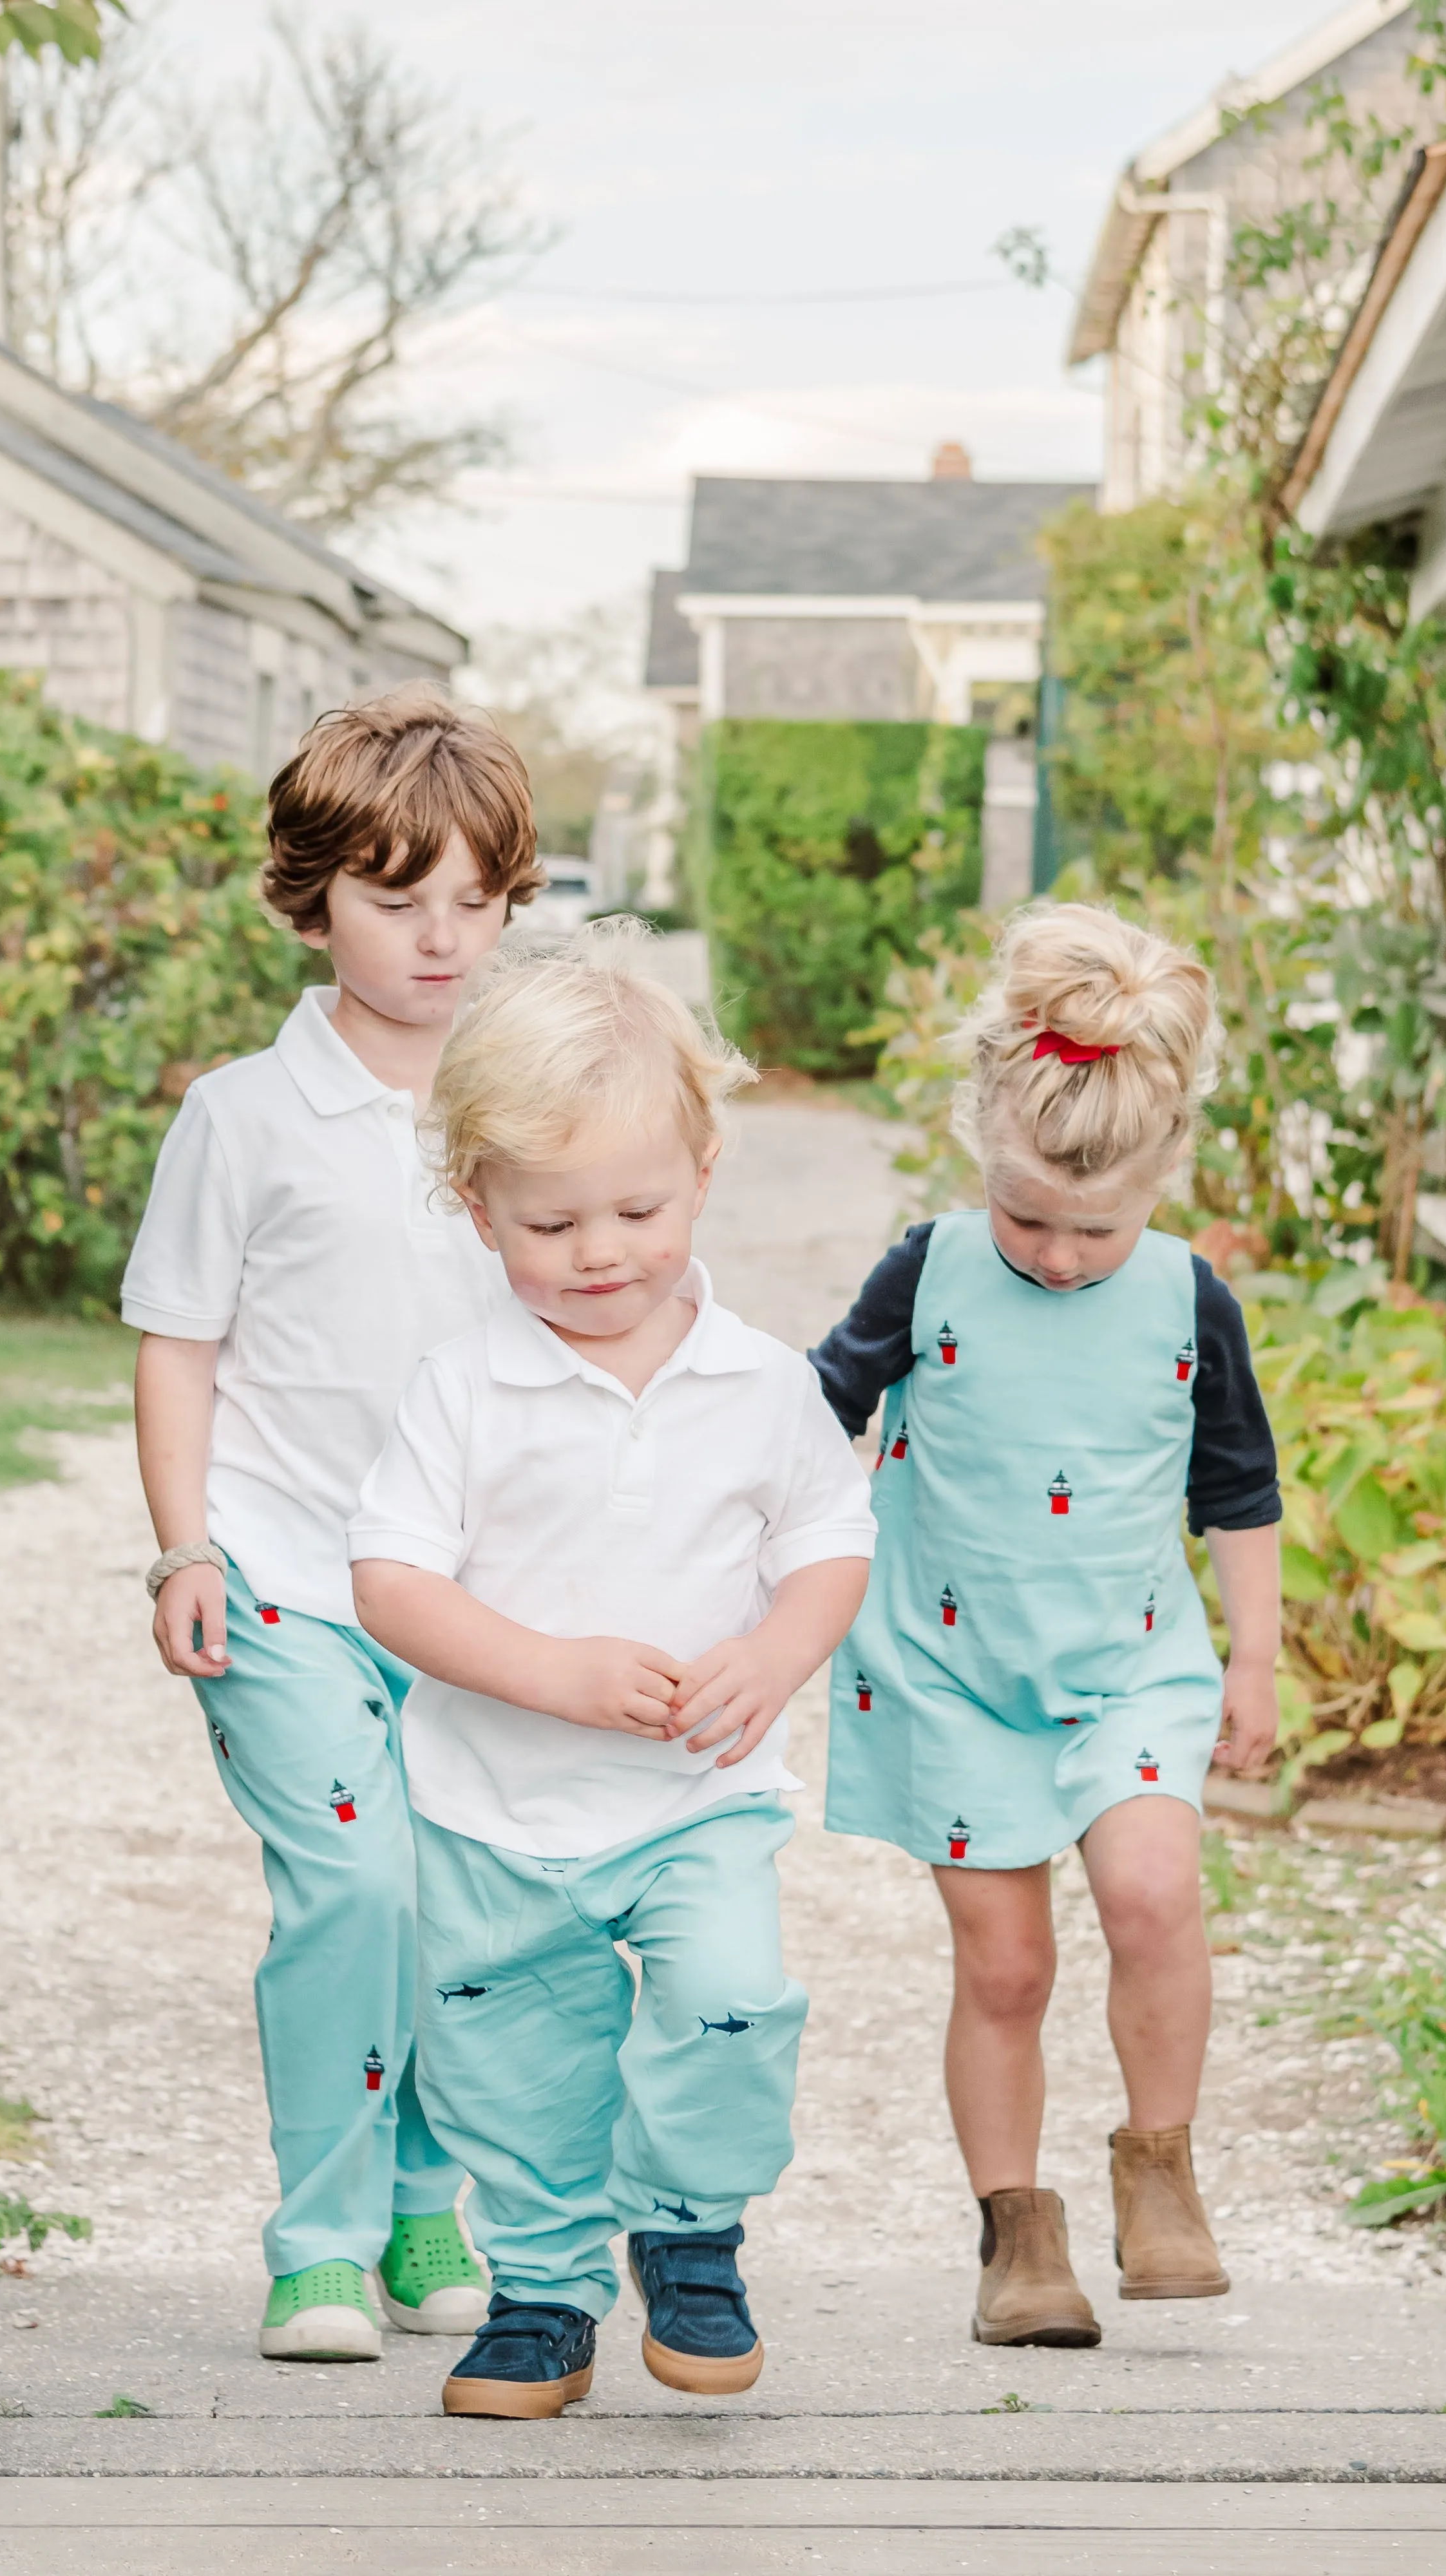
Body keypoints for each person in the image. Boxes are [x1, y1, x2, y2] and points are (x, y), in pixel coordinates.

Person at [347, 925, 876, 2420]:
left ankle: (691, 2228)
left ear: (703, 1170)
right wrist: (544, 1670)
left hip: (695, 1797)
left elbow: (832, 1542)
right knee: (511, 2055)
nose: (601, 1253)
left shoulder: (764, 1383)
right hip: (498, 1807)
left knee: (730, 1993)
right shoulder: (464, 1387)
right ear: (477, 1211)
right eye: (552, 1223)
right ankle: (541, 2292)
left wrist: (775, 1655)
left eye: (637, 1207)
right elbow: (388, 1575)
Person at [121, 687, 544, 2363]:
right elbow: (181, 1343)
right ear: (309, 898)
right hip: (286, 1577)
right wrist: (184, 1549)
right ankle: (317, 2239)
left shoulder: (525, 1098)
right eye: (396, 899)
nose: (442, 941)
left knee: (465, 1907)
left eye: (477, 902)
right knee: (353, 1887)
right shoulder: (244, 1113)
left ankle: (429, 2198)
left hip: (470, 1596)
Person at [810, 902, 1281, 2351]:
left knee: (1151, 1897)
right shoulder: (928, 1271)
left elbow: (1237, 1485)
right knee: (1006, 1966)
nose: (1062, 1254)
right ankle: (1018, 2230)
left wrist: (1251, 1655)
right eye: (1028, 1216)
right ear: (976, 1147)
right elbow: (804, 1421)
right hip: (950, 1672)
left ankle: (1160, 2167)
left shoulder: (1185, 1297)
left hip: (1129, 1661)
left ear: (1161, 1180)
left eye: (1097, 1223)